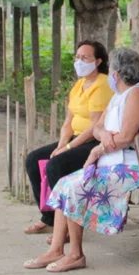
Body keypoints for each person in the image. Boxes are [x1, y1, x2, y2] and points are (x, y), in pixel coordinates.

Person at [23, 47, 139, 273]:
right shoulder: (119, 95)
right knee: (64, 184)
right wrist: (104, 135)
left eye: (112, 70)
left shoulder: (137, 93)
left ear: (116, 74)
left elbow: (126, 137)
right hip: (115, 163)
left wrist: (97, 151)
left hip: (136, 167)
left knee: (75, 188)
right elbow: (97, 127)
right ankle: (56, 250)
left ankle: (75, 254)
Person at [22, 40, 114, 235]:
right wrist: (62, 144)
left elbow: (95, 127)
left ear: (98, 61)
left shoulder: (102, 84)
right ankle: (49, 219)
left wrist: (69, 148)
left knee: (55, 165)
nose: (79, 61)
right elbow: (68, 121)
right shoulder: (79, 85)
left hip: (94, 141)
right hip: (74, 138)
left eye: (85, 57)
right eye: (77, 57)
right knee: (34, 159)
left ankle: (64, 228)